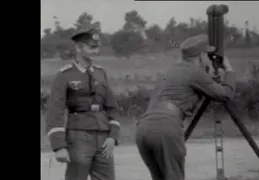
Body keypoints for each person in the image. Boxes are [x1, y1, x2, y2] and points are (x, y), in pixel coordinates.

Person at [135, 34, 236, 180]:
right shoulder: (195, 73)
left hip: (143, 129)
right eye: (208, 55)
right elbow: (225, 95)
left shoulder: (172, 70)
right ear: (201, 56)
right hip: (165, 128)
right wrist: (229, 71)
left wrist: (210, 78)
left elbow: (186, 86)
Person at [46, 24, 120, 180]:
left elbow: (112, 107)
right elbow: (55, 111)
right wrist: (59, 146)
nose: (96, 51)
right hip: (78, 137)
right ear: (79, 48)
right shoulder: (64, 75)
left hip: (103, 138)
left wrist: (113, 136)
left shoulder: (101, 73)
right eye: (92, 47)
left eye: (97, 47)